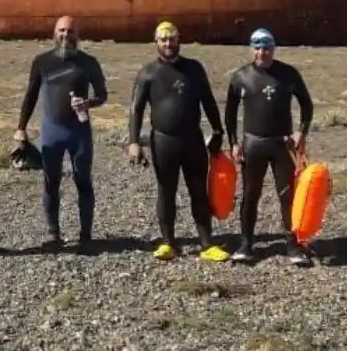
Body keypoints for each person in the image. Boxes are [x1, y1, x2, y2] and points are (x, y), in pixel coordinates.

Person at [127, 21, 230, 262]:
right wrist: (133, 141)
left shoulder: (194, 69)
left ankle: (206, 244)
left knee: (199, 192)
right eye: (163, 40)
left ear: (178, 40)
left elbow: (208, 101)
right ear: (156, 43)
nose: (168, 44)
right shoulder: (148, 73)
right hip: (163, 141)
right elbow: (136, 109)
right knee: (166, 192)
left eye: (172, 39)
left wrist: (218, 130)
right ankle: (168, 243)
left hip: (192, 139)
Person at [15, 15, 108, 250]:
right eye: (62, 31)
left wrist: (87, 103)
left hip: (79, 131)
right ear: (55, 33)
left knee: (83, 181)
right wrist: (21, 128)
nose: (66, 35)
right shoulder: (42, 62)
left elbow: (102, 95)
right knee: (50, 182)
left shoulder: (88, 62)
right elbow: (31, 96)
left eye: (71, 31)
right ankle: (54, 234)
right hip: (52, 131)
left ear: (78, 35)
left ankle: (86, 235)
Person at [224, 27, 315, 266]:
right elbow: (230, 114)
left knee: (287, 196)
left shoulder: (288, 74)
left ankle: (293, 245)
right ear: (251, 49)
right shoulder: (241, 76)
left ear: (273, 48)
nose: (262, 52)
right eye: (257, 47)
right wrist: (233, 143)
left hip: (282, 144)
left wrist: (301, 132)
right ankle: (246, 244)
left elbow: (306, 104)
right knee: (250, 195)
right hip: (252, 143)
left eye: (266, 47)